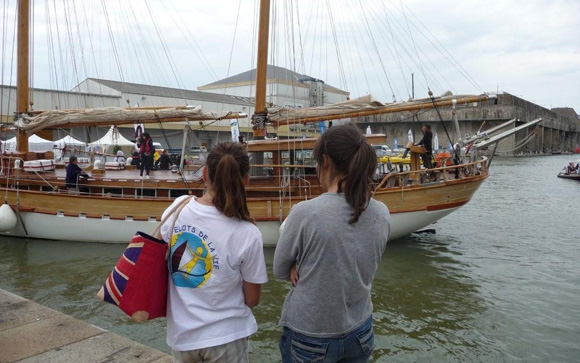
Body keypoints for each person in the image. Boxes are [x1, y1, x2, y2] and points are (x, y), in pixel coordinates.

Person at [273, 124, 390, 363]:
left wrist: (298, 264)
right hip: (360, 330)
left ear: (325, 161)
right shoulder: (382, 212)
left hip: (311, 335)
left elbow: (279, 269)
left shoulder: (305, 213)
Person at [158, 141, 268, 363]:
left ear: (205, 173)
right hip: (226, 337)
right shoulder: (248, 233)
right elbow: (252, 299)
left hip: (182, 337)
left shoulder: (178, 207)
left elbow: (160, 258)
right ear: (246, 179)